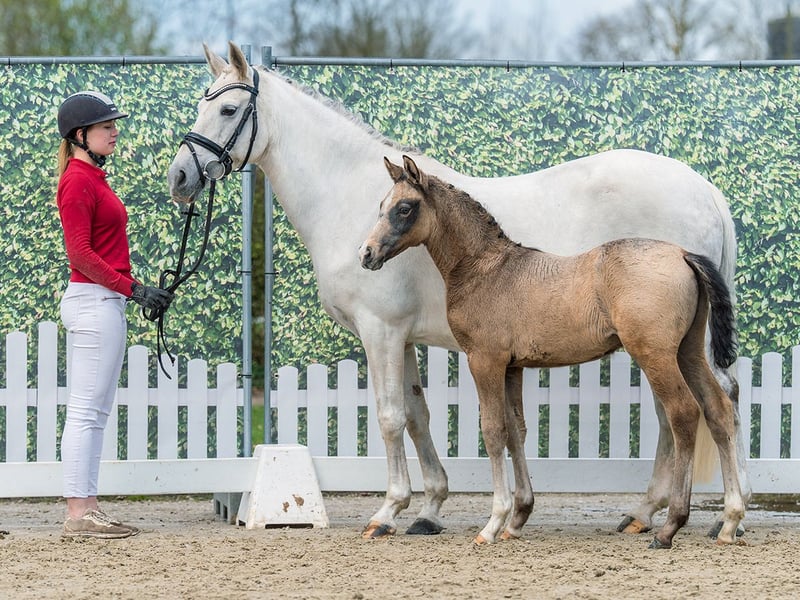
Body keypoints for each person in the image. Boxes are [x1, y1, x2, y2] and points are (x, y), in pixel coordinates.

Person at [56, 91, 173, 539]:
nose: (115, 131)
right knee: (86, 412)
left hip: (104, 301)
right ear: (80, 135)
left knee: (96, 412)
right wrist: (134, 289)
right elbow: (80, 255)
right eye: (106, 126)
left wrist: (134, 288)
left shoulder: (93, 178)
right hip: (94, 302)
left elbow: (101, 251)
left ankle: (88, 508)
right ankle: (78, 514)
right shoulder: (77, 181)